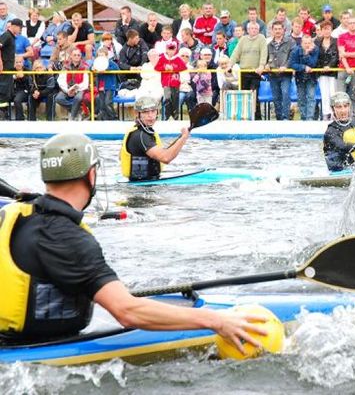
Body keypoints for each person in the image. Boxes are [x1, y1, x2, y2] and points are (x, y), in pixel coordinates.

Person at [0, 132, 267, 350]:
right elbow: (128, 312)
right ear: (91, 176)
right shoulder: (69, 239)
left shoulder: (13, 213)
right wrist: (216, 321)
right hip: (35, 353)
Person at [121, 97, 188, 181]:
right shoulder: (141, 136)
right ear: (137, 114)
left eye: (153, 111)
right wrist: (184, 137)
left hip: (148, 181)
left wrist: (181, 138)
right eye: (145, 112)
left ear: (157, 112)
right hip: (140, 189)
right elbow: (166, 158)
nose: (150, 115)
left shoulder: (145, 132)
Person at [266, 20, 295, 121]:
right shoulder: (268, 44)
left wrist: (286, 66)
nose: (277, 31)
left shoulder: (290, 42)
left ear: (284, 30)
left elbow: (293, 56)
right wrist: (266, 65)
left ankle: (285, 117)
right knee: (276, 97)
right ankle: (279, 119)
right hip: (273, 75)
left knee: (285, 93)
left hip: (285, 74)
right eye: (275, 29)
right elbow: (265, 58)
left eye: (279, 29)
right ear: (272, 31)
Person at [0, 17, 22, 118]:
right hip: (3, 68)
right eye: (19, 27)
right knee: (3, 91)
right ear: (14, 26)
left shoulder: (11, 37)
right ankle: (2, 115)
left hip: (8, 68)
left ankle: (5, 114)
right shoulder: (6, 35)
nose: (20, 30)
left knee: (7, 92)